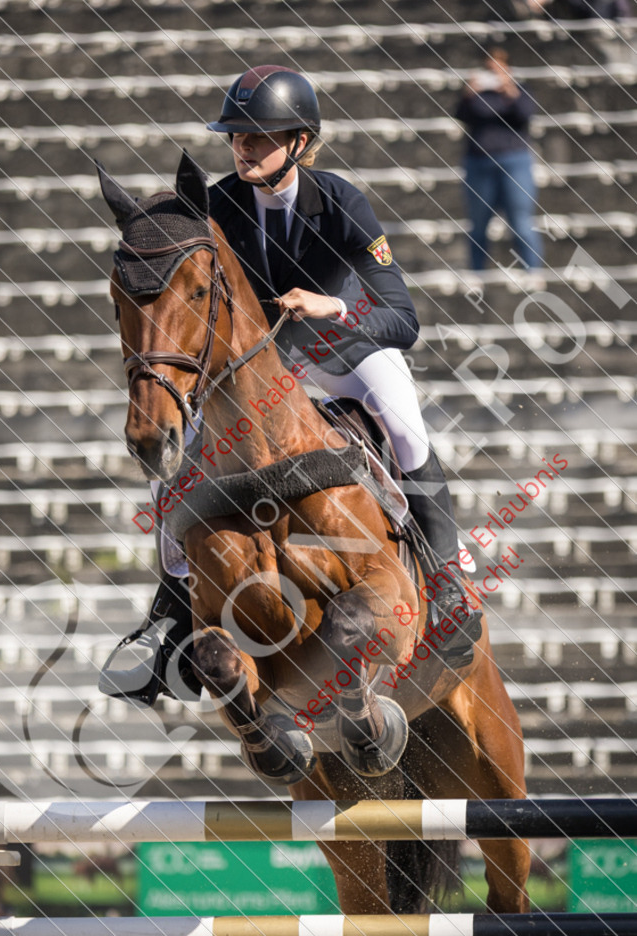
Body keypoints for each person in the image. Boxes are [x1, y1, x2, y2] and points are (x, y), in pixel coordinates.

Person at [101, 66, 482, 707]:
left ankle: (443, 569)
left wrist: (335, 308)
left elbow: (403, 318)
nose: (244, 147)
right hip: (256, 370)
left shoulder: (340, 201)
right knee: (169, 450)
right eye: (237, 137)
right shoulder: (217, 202)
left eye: (261, 136)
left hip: (343, 354)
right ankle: (168, 617)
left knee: (401, 415)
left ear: (301, 142)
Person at [456, 45, 543, 275]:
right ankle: (477, 274)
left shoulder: (520, 89)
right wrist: (468, 94)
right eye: (489, 68)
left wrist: (510, 91)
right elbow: (461, 116)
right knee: (478, 223)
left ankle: (532, 272)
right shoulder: (476, 93)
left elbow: (526, 115)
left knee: (521, 221)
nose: (494, 73)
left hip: (514, 161)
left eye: (499, 67)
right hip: (479, 161)